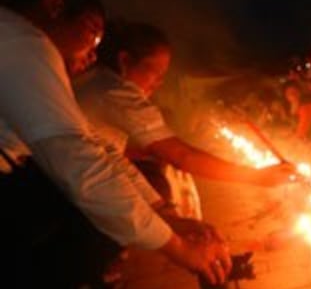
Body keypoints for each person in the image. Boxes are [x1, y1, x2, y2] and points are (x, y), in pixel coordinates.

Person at [0, 0, 231, 289]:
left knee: (104, 200)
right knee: (93, 212)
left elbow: (97, 151)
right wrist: (178, 249)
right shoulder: (21, 40)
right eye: (90, 35)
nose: (90, 52)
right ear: (54, 5)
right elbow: (80, 163)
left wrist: (167, 218)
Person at [74, 20, 296, 204]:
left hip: (65, 182)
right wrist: (257, 177)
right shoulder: (119, 93)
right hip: (73, 195)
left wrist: (138, 154)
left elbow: (95, 145)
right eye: (157, 73)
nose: (159, 83)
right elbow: (183, 157)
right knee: (159, 188)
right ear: (125, 60)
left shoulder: (95, 79)